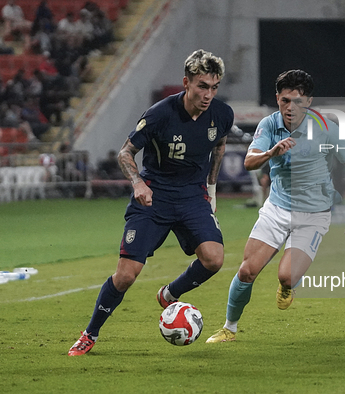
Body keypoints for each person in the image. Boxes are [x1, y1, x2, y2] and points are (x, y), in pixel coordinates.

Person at [68, 50, 233, 356]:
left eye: (214, 86)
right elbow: (125, 153)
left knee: (214, 259)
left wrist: (210, 189)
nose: (208, 93)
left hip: (192, 196)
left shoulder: (222, 114)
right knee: (126, 274)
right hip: (154, 197)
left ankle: (170, 293)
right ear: (186, 83)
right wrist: (138, 183)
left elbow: (219, 145)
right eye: (201, 86)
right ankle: (90, 334)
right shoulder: (160, 114)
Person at [205, 70, 345, 343]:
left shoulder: (326, 128)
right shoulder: (268, 125)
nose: (290, 108)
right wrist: (271, 152)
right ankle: (229, 328)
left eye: (298, 101)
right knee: (246, 271)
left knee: (286, 277)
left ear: (309, 101)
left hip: (313, 215)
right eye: (284, 101)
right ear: (277, 99)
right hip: (277, 209)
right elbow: (249, 162)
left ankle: (287, 286)